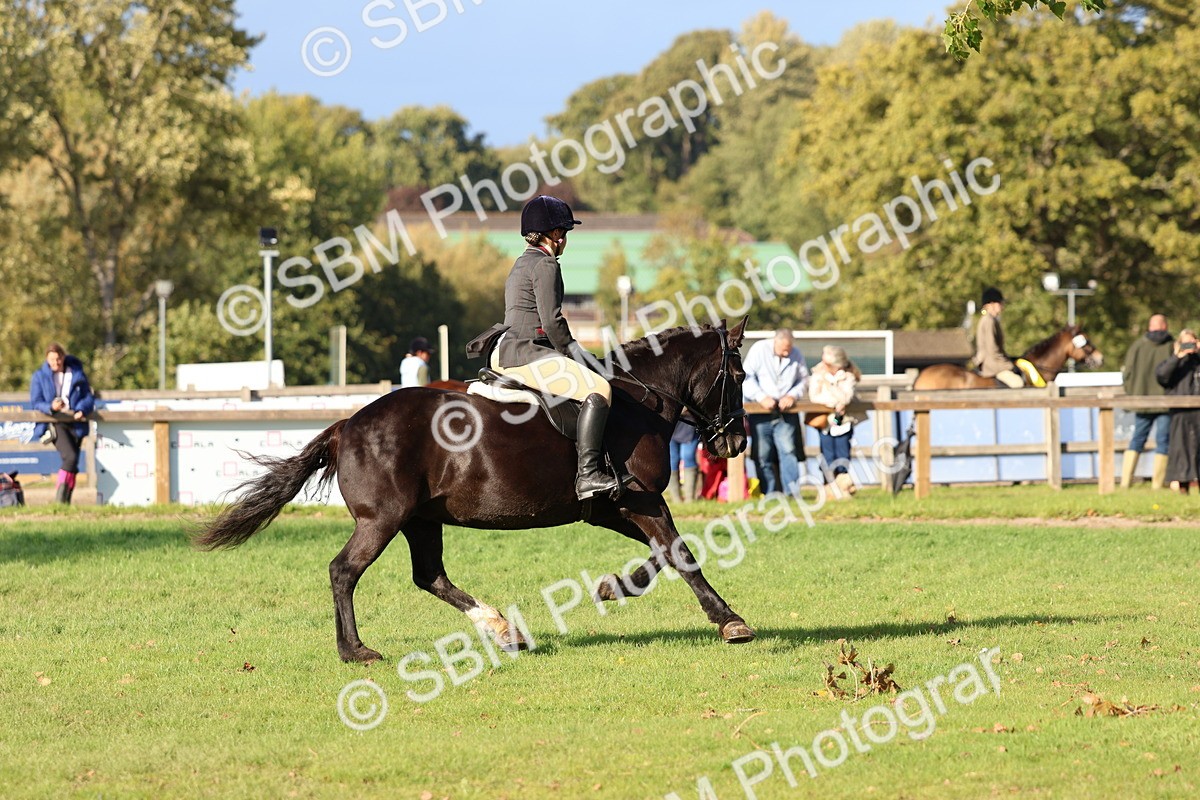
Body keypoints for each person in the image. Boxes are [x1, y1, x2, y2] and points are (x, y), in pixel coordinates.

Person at [489, 195, 622, 501]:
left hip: (505, 349)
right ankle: (588, 475)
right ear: (556, 234)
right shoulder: (546, 264)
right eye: (565, 232)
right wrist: (578, 354)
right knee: (600, 389)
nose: (566, 240)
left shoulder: (522, 262)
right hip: (527, 352)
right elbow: (552, 321)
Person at [742, 329, 809, 496]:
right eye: (784, 349)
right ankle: (769, 493)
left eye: (789, 349)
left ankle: (792, 493)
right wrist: (760, 396)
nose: (787, 353)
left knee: (788, 451)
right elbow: (746, 377)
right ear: (775, 342)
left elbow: (803, 380)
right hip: (760, 411)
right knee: (762, 454)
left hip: (786, 412)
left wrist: (792, 395)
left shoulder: (796, 354)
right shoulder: (759, 349)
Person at [30, 343, 95, 504]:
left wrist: (81, 409)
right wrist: (51, 407)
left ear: (63, 357)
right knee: (70, 457)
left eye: (58, 359)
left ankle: (65, 503)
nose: (55, 363)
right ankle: (59, 501)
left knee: (73, 463)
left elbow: (88, 396)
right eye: (52, 359)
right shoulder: (39, 376)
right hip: (56, 422)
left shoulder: (76, 373)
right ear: (47, 359)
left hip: (76, 423)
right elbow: (36, 402)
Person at [1121, 314, 1173, 489]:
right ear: (1165, 326)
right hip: (1166, 401)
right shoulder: (1171, 345)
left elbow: (1127, 373)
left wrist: (1132, 394)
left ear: (1150, 327)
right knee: (1163, 441)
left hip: (1142, 401)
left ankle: (1125, 482)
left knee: (1137, 439)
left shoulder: (1138, 346)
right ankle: (1157, 484)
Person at [808, 345, 863, 499]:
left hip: (843, 423)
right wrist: (834, 403)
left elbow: (846, 397)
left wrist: (831, 387)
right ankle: (829, 487)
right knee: (827, 455)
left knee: (843, 454)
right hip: (825, 422)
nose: (823, 365)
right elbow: (814, 397)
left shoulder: (848, 376)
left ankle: (843, 487)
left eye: (827, 363)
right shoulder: (817, 374)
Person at [1155, 328, 1200, 494]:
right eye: (1185, 343)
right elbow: (1161, 376)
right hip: (1180, 413)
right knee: (1181, 451)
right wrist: (1176, 356)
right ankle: (1183, 489)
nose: (1189, 347)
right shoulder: (1174, 362)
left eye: (1191, 342)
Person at [975, 287, 1024, 388]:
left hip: (992, 362)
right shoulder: (989, 321)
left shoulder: (989, 320)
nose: (1002, 306)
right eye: (1000, 303)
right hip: (992, 365)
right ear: (991, 304)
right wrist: (1009, 366)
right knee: (1018, 383)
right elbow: (993, 350)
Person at [666, 413, 700, 503]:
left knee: (688, 456)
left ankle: (690, 498)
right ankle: (676, 499)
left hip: (690, 424)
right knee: (673, 460)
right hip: (672, 425)